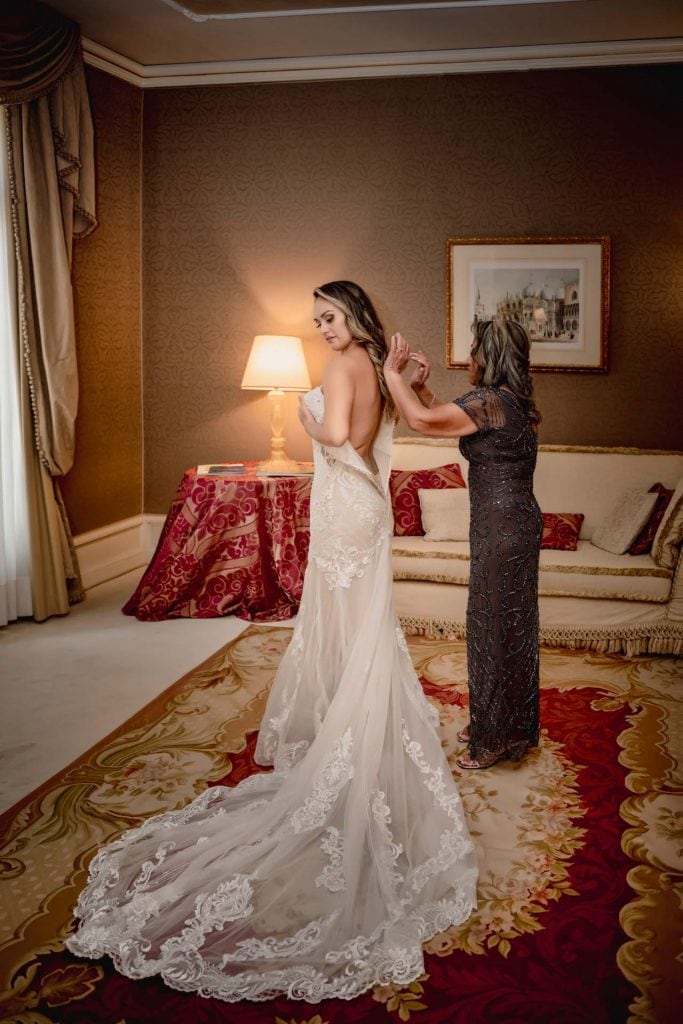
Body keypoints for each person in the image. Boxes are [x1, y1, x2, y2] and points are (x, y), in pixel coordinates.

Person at [65, 281, 477, 1003]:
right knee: (361, 628)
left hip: (348, 504)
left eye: (328, 317)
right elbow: (384, 429)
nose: (322, 328)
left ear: (352, 316)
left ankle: (352, 745)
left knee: (350, 629)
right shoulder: (377, 359)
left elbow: (345, 440)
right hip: (363, 507)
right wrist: (401, 380)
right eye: (316, 320)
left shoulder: (343, 368)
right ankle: (361, 737)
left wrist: (304, 413)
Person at [383, 318, 542, 770]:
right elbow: (450, 419)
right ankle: (505, 726)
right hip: (514, 524)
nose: (469, 357)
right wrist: (425, 390)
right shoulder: (511, 402)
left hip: (501, 527)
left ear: (490, 356)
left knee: (492, 628)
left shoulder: (490, 400)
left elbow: (421, 423)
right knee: (510, 629)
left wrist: (394, 376)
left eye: (474, 349)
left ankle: (493, 738)